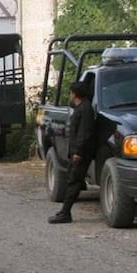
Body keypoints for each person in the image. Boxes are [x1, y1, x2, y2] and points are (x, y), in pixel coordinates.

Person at [48, 81, 96, 224]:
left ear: (74, 94)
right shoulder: (81, 108)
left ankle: (65, 213)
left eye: (71, 93)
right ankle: (64, 211)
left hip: (81, 153)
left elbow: (84, 133)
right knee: (72, 179)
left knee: (73, 181)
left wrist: (78, 152)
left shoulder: (85, 109)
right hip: (77, 151)